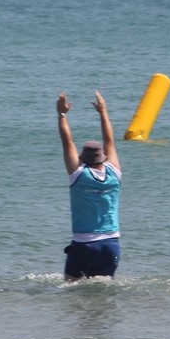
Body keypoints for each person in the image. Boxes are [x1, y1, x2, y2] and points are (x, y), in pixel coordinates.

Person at [57, 91, 122, 281]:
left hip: (83, 244)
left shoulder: (78, 174)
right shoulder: (114, 173)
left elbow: (67, 141)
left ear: (82, 158)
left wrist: (62, 115)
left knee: (71, 290)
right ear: (103, 157)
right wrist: (103, 113)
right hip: (111, 245)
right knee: (102, 294)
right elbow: (109, 141)